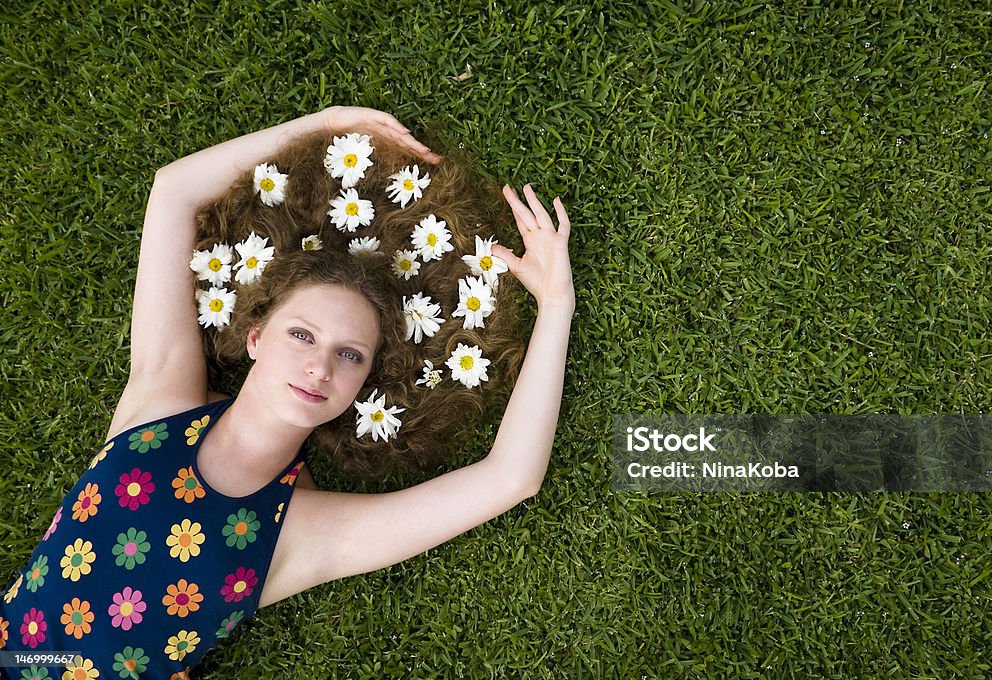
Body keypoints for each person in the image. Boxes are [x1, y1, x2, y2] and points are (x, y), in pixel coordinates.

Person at [0, 106, 574, 679]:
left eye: (349, 355)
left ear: (361, 384)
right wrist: (326, 124)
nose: (319, 366)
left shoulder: (300, 534)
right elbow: (172, 191)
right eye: (302, 334)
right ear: (254, 336)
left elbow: (511, 478)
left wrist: (556, 305)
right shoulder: (161, 404)